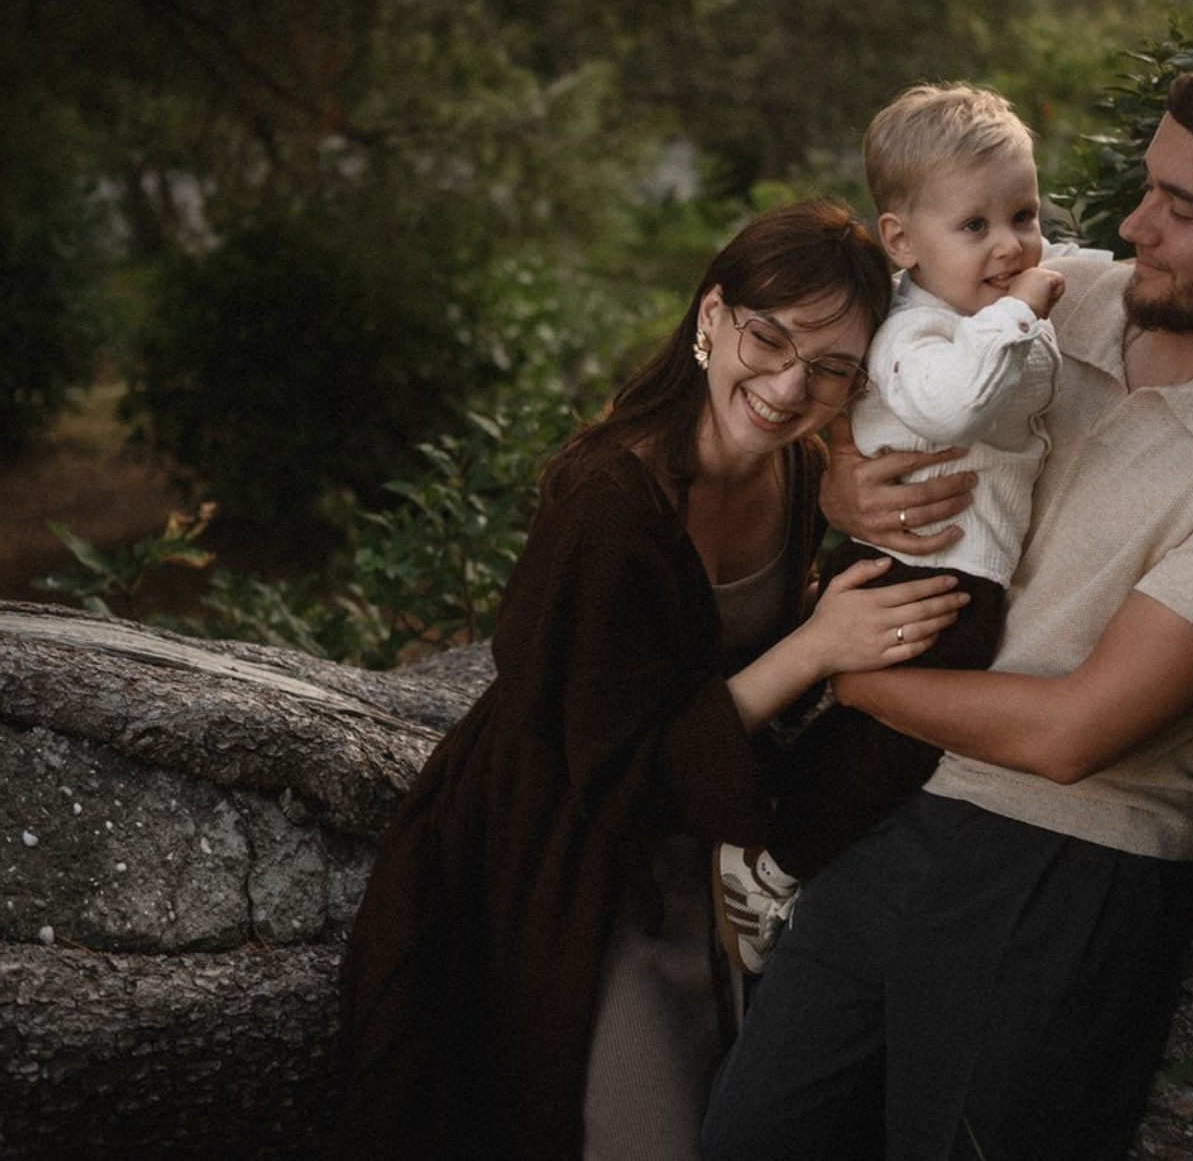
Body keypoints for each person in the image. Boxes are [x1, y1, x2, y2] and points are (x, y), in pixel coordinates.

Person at [702, 51, 1193, 1161]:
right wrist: (837, 461)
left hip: (1055, 873)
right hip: (878, 809)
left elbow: (1073, 734)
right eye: (1147, 184)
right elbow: (868, 355)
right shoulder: (1063, 292)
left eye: (1180, 205)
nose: (1132, 220)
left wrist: (839, 664)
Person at [332, 200, 971, 1161]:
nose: (790, 385)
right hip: (568, 841)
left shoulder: (793, 473)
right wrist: (816, 645)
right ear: (711, 317)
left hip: (702, 831)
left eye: (832, 369)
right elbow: (618, 762)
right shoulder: (609, 503)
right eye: (769, 337)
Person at [716, 83, 1095, 971]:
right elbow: (959, 405)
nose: (1010, 244)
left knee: (886, 736)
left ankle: (776, 824)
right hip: (924, 569)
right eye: (975, 227)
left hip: (945, 568)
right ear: (901, 241)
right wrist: (1021, 307)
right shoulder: (914, 332)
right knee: (891, 749)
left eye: (1024, 214)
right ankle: (771, 862)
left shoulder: (977, 308)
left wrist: (1022, 293)